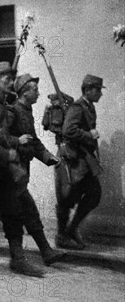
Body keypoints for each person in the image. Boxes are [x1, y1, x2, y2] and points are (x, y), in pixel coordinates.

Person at [0, 62, 45, 277]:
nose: (12, 83)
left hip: (4, 169)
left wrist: (11, 158)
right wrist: (8, 154)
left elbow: (5, 136)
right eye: (8, 79)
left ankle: (17, 259)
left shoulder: (5, 107)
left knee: (12, 212)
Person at [5, 73, 65, 265]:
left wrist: (49, 157)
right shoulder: (12, 111)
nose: (39, 93)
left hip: (22, 169)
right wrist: (16, 141)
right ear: (24, 92)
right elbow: (0, 136)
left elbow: (34, 141)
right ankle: (42, 252)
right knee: (25, 210)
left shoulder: (27, 111)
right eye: (35, 89)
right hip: (12, 170)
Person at [55, 74, 105, 250]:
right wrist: (88, 135)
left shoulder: (89, 107)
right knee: (68, 197)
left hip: (84, 160)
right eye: (97, 90)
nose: (100, 93)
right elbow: (68, 130)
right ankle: (62, 235)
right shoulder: (78, 107)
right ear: (88, 90)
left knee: (94, 195)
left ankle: (71, 229)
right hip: (74, 160)